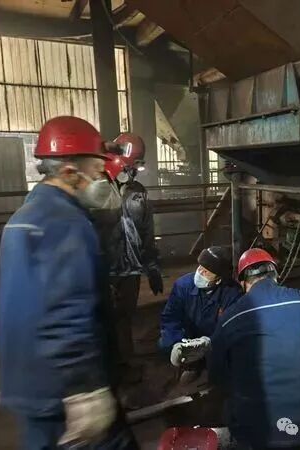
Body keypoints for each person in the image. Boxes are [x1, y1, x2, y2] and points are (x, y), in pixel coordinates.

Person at [0, 116, 138, 449]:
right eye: (96, 170)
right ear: (70, 172)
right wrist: (85, 389)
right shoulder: (66, 223)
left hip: (29, 386)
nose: (101, 178)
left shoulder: (23, 218)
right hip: (68, 393)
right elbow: (67, 311)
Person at [208, 248, 300, 449]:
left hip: (262, 431)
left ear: (243, 282)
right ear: (276, 275)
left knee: (228, 405)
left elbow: (217, 374)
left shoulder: (230, 317)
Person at [103, 133, 163, 384]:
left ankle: (124, 367)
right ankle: (106, 371)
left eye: (138, 166)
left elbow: (147, 232)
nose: (136, 171)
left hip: (131, 270)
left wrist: (152, 268)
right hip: (105, 271)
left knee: (125, 318)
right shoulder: (97, 189)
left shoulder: (139, 192)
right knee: (104, 320)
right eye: (133, 165)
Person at [159, 246, 242, 364]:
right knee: (163, 343)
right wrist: (176, 342)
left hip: (214, 342)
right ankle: (190, 364)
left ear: (219, 279)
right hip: (186, 337)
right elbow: (170, 317)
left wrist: (210, 342)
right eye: (200, 267)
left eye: (206, 272)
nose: (200, 273)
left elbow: (233, 328)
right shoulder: (183, 285)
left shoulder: (232, 294)